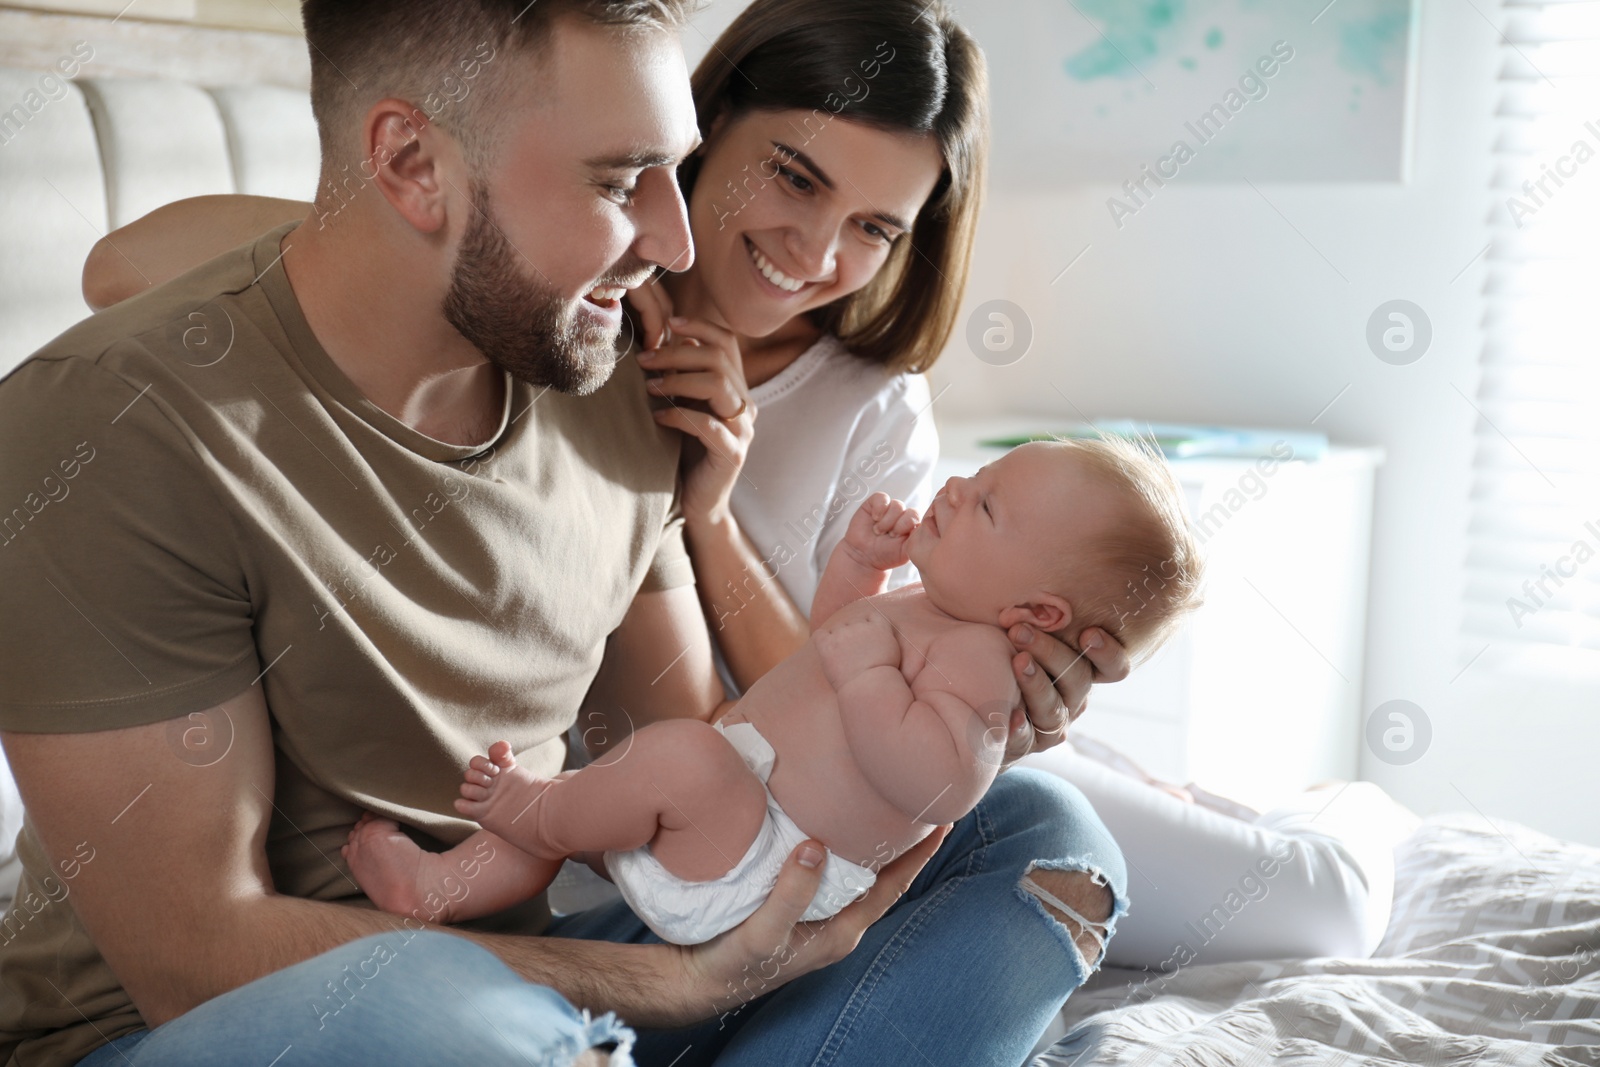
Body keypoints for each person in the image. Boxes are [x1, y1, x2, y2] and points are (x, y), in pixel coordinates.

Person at [28, 2, 1130, 1066]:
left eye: (669, 170)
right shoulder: (110, 423)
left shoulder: (619, 387)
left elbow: (712, 752)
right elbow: (191, 956)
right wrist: (678, 986)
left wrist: (966, 693)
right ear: (411, 166)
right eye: (619, 180)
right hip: (235, 1013)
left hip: (522, 970)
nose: (674, 233)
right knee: (463, 1021)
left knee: (1041, 831)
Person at [347, 439, 1198, 952]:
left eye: (986, 507)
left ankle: (523, 822)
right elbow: (829, 645)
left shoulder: (979, 666)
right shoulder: (927, 604)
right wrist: (860, 569)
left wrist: (869, 671)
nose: (954, 489)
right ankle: (440, 886)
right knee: (601, 791)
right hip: (738, 807)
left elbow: (935, 782)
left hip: (770, 866)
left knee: (669, 760)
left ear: (1039, 613)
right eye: (976, 477)